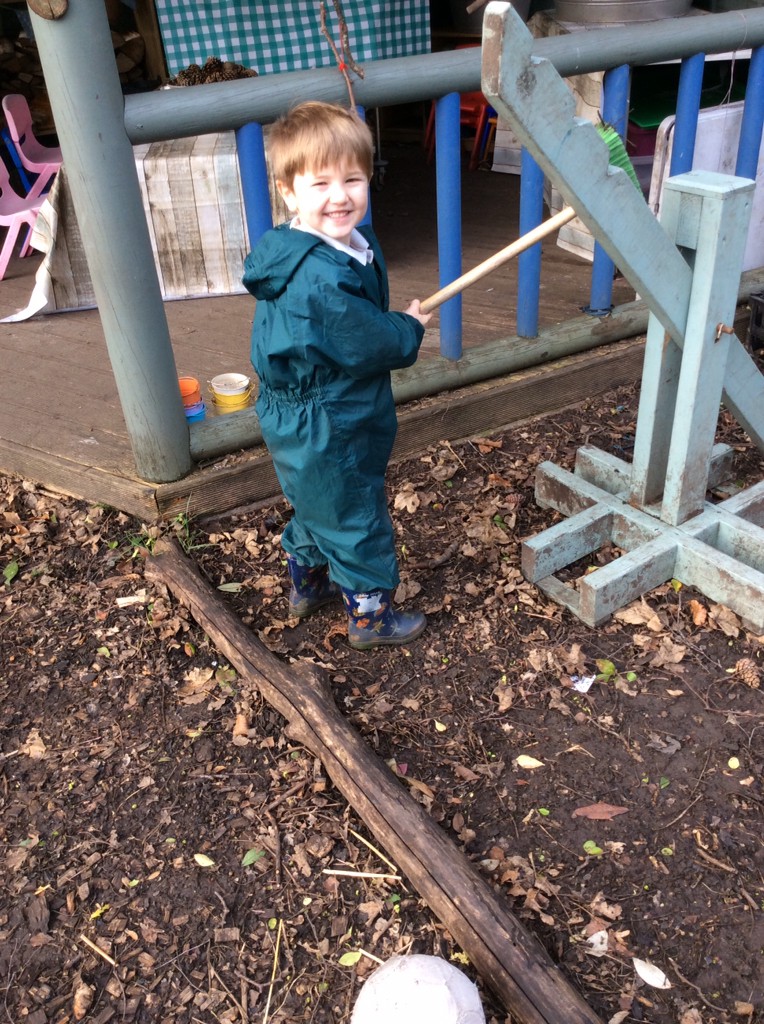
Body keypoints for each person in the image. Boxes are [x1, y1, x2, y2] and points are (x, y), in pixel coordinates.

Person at [242, 101, 432, 651]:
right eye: (320, 183)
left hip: (311, 408)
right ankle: (369, 619)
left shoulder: (322, 246)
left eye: (353, 178)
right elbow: (364, 340)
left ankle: (308, 584)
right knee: (353, 510)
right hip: (328, 414)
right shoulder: (318, 276)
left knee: (318, 499)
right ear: (289, 191)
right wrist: (407, 328)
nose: (340, 195)